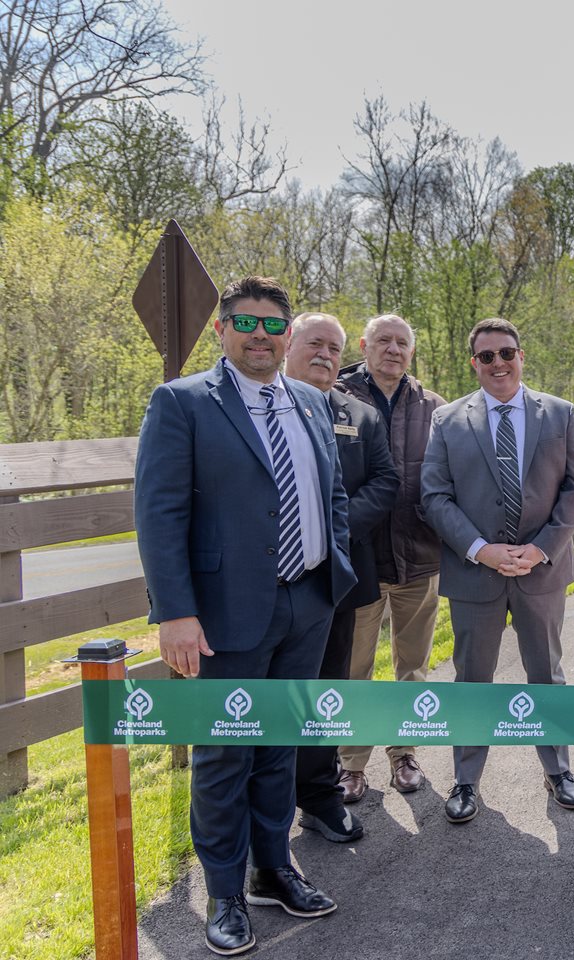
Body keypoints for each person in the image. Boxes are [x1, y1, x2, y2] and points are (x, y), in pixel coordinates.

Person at [135, 276, 358, 955]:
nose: (260, 335)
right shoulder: (182, 404)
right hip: (225, 613)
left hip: (307, 602)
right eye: (245, 322)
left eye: (272, 325)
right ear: (221, 329)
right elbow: (159, 511)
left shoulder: (315, 404)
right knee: (225, 754)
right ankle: (224, 893)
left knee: (278, 749)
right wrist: (175, 612)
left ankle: (273, 869)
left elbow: (333, 494)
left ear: (287, 335)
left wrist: (332, 570)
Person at [422, 317, 574, 824]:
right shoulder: (448, 421)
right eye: (488, 355)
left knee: (547, 675)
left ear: (522, 356)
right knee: (473, 681)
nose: (499, 363)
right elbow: (434, 496)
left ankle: (558, 769)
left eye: (507, 353)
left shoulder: (558, 413)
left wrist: (540, 550)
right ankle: (466, 779)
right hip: (476, 574)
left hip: (542, 571)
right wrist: (480, 549)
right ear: (474, 363)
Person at [283, 313, 399, 844]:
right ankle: (264, 809)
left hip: (337, 579)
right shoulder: (264, 408)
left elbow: (385, 479)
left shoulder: (360, 416)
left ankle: (320, 798)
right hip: (267, 586)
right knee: (270, 698)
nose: (326, 355)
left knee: (327, 691)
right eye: (314, 344)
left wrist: (333, 523)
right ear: (289, 346)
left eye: (333, 347)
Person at [333, 314, 445, 800]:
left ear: (412, 352)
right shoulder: (336, 399)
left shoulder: (434, 408)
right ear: (364, 345)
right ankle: (351, 763)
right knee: (355, 667)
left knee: (412, 665)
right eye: (383, 340)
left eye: (402, 343)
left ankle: (404, 753)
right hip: (358, 562)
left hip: (418, 559)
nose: (393, 349)